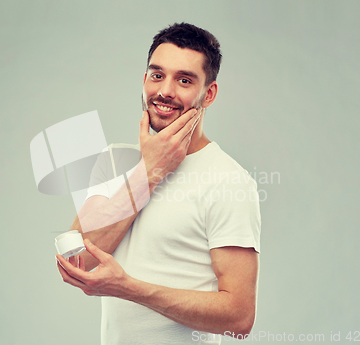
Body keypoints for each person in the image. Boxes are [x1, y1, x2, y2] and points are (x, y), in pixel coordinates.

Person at [56, 23, 261, 345]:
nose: (165, 90)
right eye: (157, 75)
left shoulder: (228, 181)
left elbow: (239, 318)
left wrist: (129, 288)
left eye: (184, 80)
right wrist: (148, 172)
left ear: (209, 94)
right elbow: (79, 262)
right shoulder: (113, 161)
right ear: (144, 81)